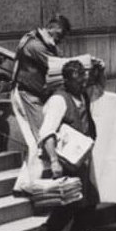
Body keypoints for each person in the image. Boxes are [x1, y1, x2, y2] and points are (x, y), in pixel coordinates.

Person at [35, 59, 101, 231]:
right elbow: (47, 132)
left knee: (89, 202)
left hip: (82, 157)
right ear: (66, 81)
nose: (82, 84)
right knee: (69, 202)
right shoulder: (58, 100)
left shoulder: (82, 95)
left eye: (84, 79)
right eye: (78, 80)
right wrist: (54, 161)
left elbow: (100, 88)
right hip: (65, 160)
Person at [10, 15, 71, 148]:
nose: (61, 38)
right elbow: (58, 65)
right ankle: (42, 166)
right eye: (61, 33)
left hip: (36, 94)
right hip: (28, 95)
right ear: (52, 28)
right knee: (42, 137)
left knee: (43, 136)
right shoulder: (35, 45)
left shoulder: (42, 41)